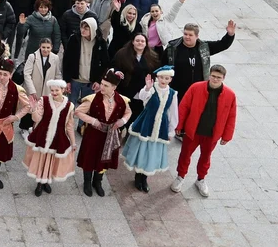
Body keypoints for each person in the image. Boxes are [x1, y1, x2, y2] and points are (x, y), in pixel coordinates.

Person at [172, 64, 237, 198]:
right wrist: (179, 126)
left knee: (205, 158)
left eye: (218, 77)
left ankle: (201, 179)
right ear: (209, 75)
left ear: (223, 78)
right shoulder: (196, 88)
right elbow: (183, 107)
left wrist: (227, 136)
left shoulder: (230, 95)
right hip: (192, 132)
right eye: (213, 76)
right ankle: (180, 177)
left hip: (212, 134)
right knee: (185, 155)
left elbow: (231, 116)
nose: (215, 79)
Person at [75, 69, 131, 197]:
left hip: (110, 135)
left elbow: (128, 113)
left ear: (114, 87)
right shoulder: (92, 98)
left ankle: (97, 182)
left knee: (104, 159)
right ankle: (87, 182)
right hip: (93, 134)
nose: (102, 87)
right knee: (90, 157)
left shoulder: (122, 100)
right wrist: (93, 121)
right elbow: (78, 112)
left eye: (106, 85)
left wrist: (122, 121)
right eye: (102, 83)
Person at [122, 65, 179, 193]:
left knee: (152, 151)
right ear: (157, 78)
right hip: (146, 122)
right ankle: (138, 176)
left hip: (160, 126)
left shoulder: (173, 93)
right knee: (142, 149)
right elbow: (142, 97)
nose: (163, 80)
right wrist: (147, 88)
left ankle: (145, 177)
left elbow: (172, 112)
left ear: (170, 79)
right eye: (161, 77)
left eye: (167, 78)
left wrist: (171, 130)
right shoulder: (151, 88)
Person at [21, 79, 75, 195]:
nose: (54, 92)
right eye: (52, 90)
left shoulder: (70, 106)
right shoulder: (44, 100)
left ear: (63, 90)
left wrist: (73, 142)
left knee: (51, 161)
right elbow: (36, 119)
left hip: (57, 137)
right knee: (41, 159)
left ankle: (46, 181)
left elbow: (69, 126)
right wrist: (34, 108)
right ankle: (40, 184)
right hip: (42, 135)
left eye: (57, 90)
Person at [165, 21, 235, 100]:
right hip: (177, 90)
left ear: (197, 36)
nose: (187, 37)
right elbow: (162, 64)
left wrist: (230, 35)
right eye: (185, 34)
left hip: (198, 89)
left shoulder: (203, 47)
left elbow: (222, 45)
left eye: (190, 35)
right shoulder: (173, 48)